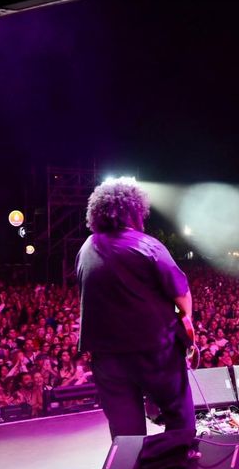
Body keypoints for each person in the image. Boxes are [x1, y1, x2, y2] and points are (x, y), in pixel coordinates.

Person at [76, 177, 195, 440]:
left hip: (106, 356)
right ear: (134, 211)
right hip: (154, 352)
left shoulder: (86, 249)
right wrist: (187, 328)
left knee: (125, 432)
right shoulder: (148, 245)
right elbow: (181, 296)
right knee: (179, 416)